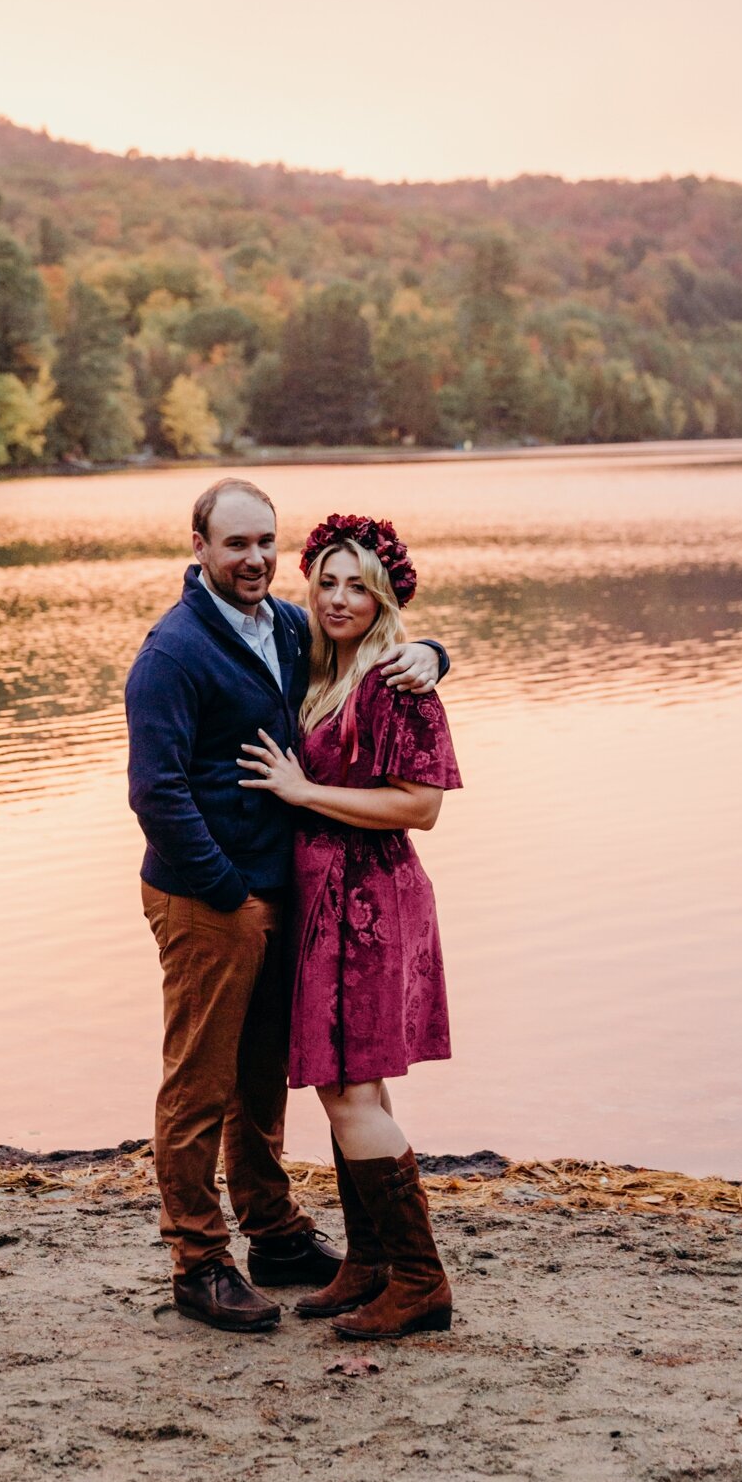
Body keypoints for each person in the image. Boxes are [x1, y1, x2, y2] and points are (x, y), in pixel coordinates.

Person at [122, 475, 450, 1336]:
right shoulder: (172, 654)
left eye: (266, 543)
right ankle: (199, 1263)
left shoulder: (290, 626)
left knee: (262, 1083)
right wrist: (229, 894)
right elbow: (156, 794)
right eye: (236, 544)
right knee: (200, 1086)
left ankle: (274, 1235)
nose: (255, 559)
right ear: (199, 548)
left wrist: (434, 652)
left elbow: (373, 630)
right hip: (209, 898)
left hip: (290, 899)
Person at [235, 510, 462, 1341]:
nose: (337, 598)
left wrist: (304, 794)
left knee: (348, 1089)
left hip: (370, 900)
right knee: (353, 1081)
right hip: (330, 902)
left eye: (356, 584)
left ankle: (420, 1280)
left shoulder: (395, 681)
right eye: (326, 581)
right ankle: (368, 1263)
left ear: (383, 593)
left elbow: (421, 806)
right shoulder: (324, 663)